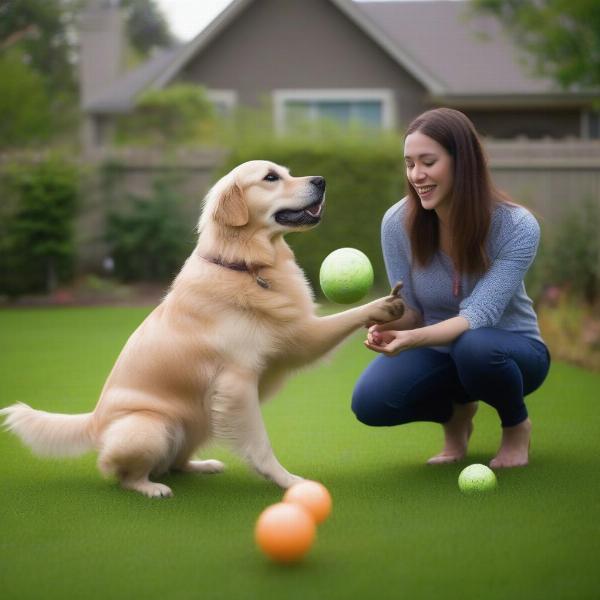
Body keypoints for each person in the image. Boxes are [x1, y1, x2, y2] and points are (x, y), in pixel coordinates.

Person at [351, 108, 550, 468]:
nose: (416, 175)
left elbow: (479, 316)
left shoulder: (517, 225)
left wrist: (410, 340)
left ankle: (516, 425)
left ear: (464, 162)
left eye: (428, 162)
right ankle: (456, 416)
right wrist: (389, 324)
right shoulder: (397, 223)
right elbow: (411, 310)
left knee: (474, 346)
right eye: (409, 164)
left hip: (511, 353)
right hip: (441, 352)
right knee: (371, 403)